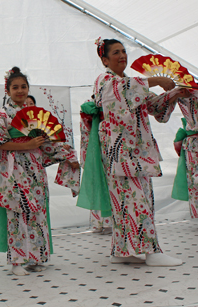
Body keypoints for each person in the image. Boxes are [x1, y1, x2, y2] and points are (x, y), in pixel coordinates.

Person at [93, 38, 189, 266]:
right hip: (121, 151)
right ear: (105, 59)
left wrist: (174, 93)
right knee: (136, 200)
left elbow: (154, 107)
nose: (122, 55)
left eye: (124, 51)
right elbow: (126, 91)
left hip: (135, 149)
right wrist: (156, 80)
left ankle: (121, 250)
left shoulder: (128, 81)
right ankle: (151, 252)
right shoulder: (106, 81)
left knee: (131, 200)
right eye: (116, 52)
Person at [0, 67, 80, 276]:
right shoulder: (2, 114)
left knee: (37, 212)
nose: (20, 91)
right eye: (15, 87)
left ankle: (36, 256)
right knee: (18, 213)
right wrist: (27, 145)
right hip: (15, 170)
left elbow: (47, 143)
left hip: (36, 171)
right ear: (7, 90)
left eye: (23, 87)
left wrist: (67, 157)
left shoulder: (35, 115)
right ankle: (17, 262)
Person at [78, 98, 112, 234]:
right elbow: (84, 132)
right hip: (97, 149)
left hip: (104, 150)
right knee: (99, 185)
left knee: (107, 186)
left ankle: (106, 223)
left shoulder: (111, 101)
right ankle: (100, 222)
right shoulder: (89, 106)